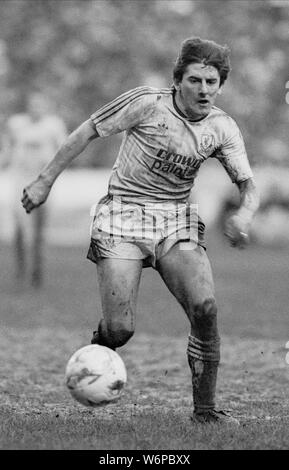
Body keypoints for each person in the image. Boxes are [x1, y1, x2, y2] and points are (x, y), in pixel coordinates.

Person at [22, 38, 259, 424]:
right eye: (195, 79)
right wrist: (44, 180)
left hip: (175, 218)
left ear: (220, 84)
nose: (203, 89)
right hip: (122, 214)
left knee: (205, 308)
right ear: (177, 80)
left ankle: (205, 411)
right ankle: (96, 355)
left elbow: (247, 185)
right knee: (120, 329)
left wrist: (245, 215)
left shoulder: (222, 127)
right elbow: (88, 131)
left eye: (211, 82)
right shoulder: (147, 102)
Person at [3, 91, 67, 287]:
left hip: (43, 181)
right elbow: (7, 148)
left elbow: (64, 149)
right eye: (33, 104)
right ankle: (20, 270)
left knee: (39, 229)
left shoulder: (54, 125)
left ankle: (36, 272)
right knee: (20, 228)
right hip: (21, 181)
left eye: (40, 104)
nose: (36, 108)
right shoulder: (16, 124)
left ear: (46, 106)